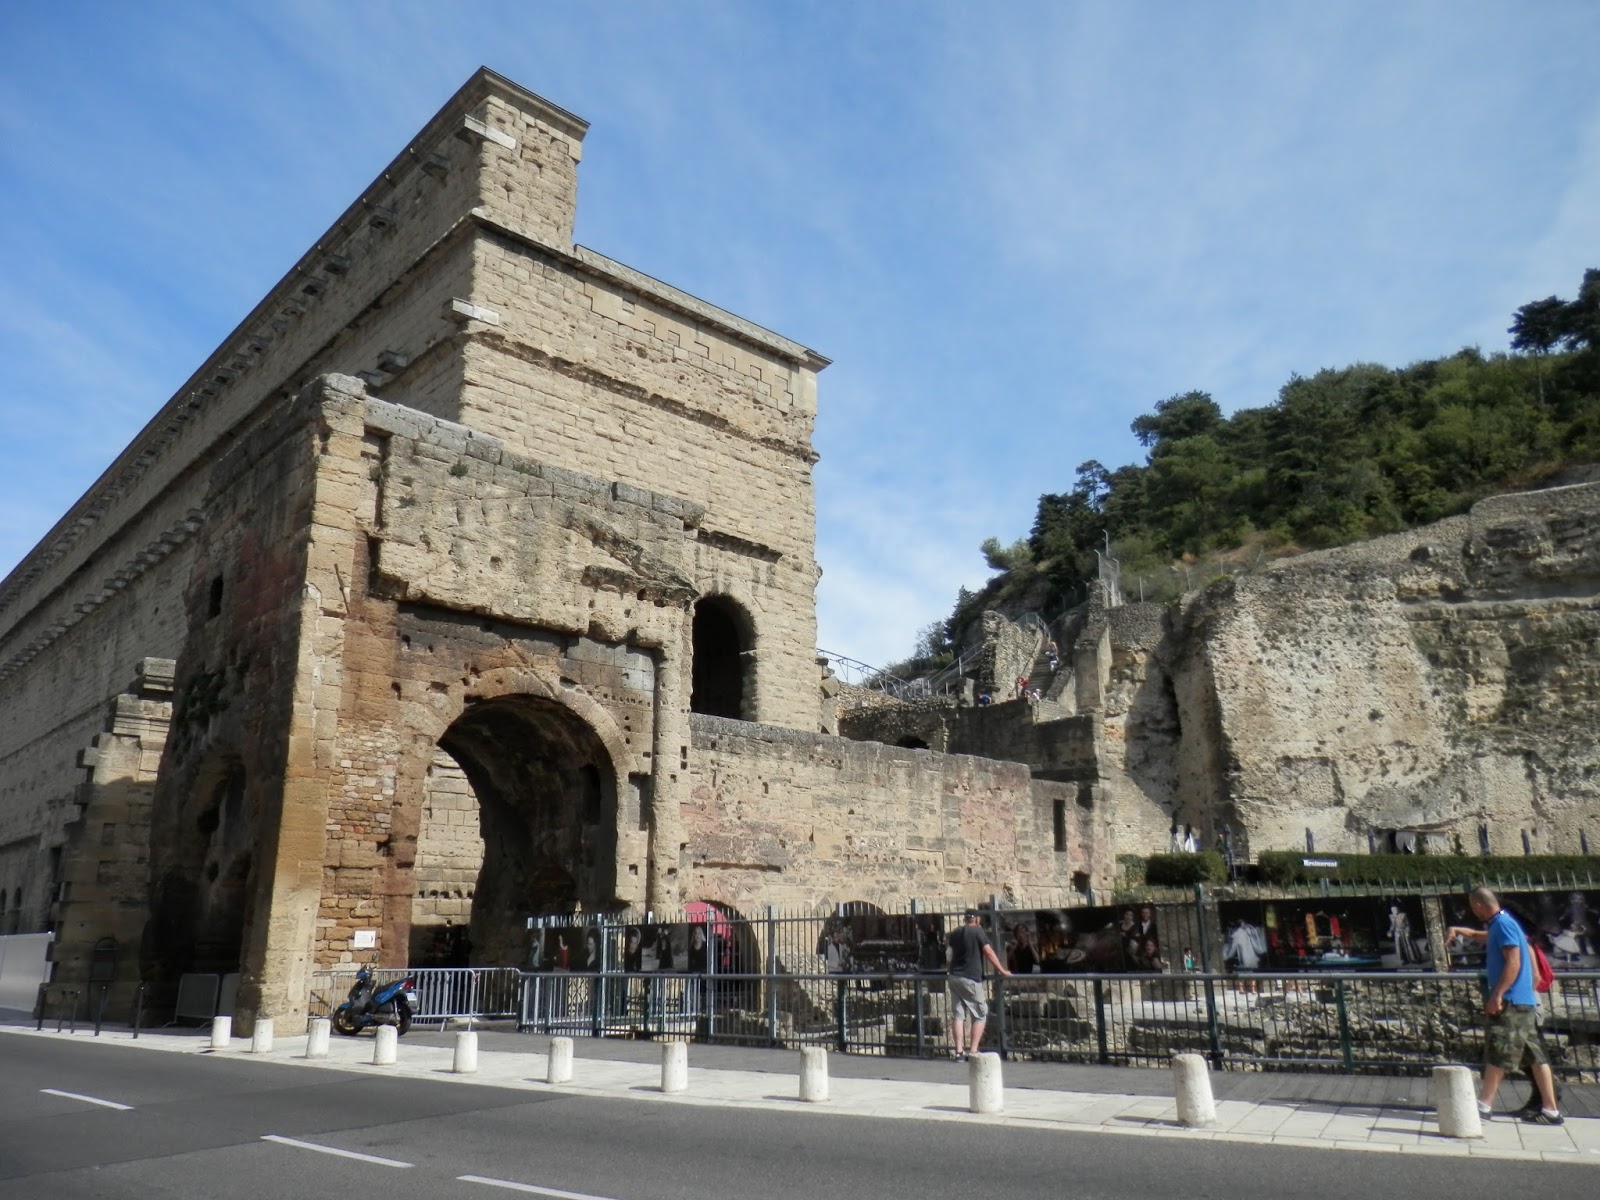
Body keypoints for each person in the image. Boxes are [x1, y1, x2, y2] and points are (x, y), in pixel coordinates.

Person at [1447, 887, 1563, 1125]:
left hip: (1512, 1000)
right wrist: (1459, 930)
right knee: (1535, 1056)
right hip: (1522, 1000)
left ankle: (1483, 1106)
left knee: (1499, 1051)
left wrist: (1497, 994)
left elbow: (1514, 961)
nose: (1472, 911)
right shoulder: (1501, 923)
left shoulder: (1503, 925)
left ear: (1478, 905)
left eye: (1472, 907)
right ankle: (1551, 1110)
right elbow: (1484, 936)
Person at [946, 909, 1012, 1061]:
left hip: (954, 976)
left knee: (958, 1014)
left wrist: (949, 970)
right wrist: (1001, 969)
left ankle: (959, 1052)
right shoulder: (978, 932)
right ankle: (973, 1051)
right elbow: (988, 952)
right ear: (977, 920)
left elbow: (949, 954)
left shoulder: (955, 933)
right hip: (970, 978)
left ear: (965, 919)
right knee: (981, 1014)